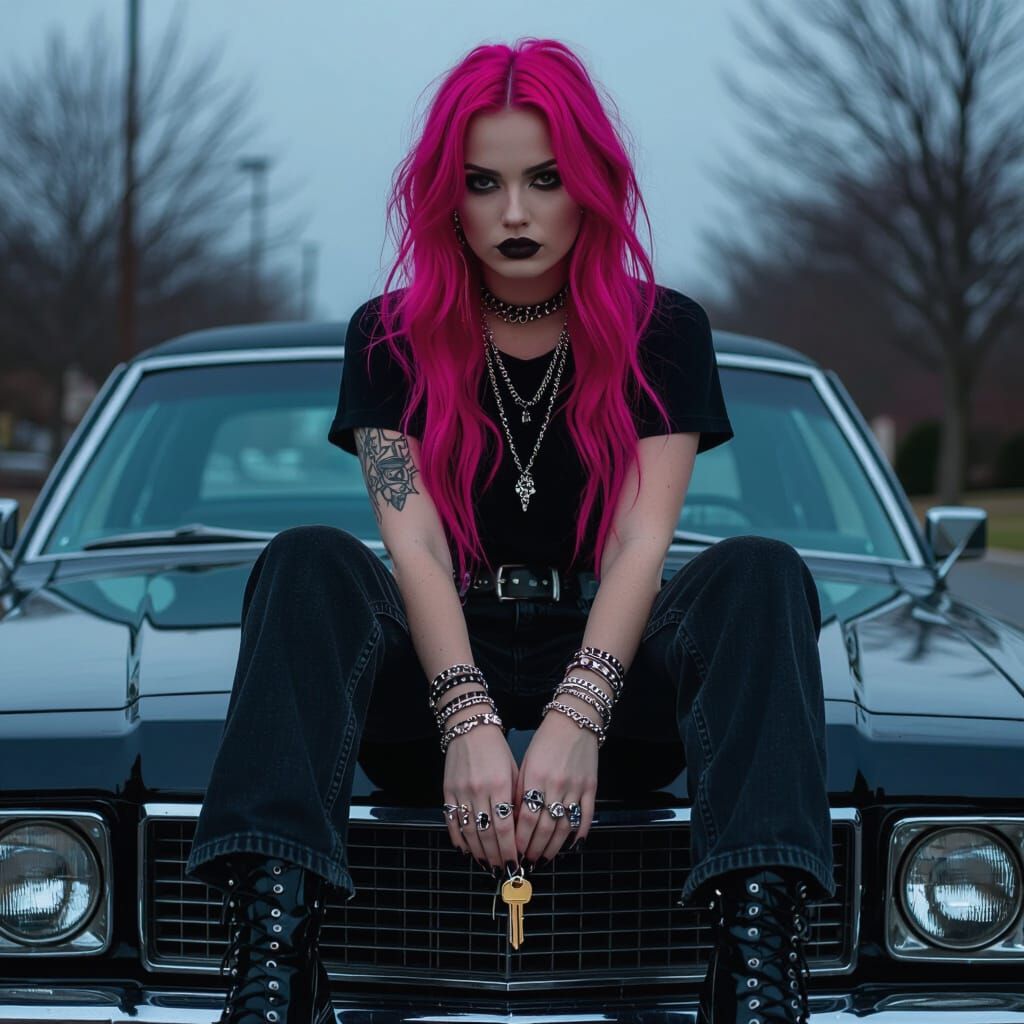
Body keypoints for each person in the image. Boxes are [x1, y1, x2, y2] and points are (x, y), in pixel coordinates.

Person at [185, 37, 834, 1024]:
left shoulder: (666, 332)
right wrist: (467, 717)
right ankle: (271, 966)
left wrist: (577, 714)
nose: (516, 213)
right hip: (433, 682)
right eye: (483, 183)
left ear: (593, 186)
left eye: (545, 179)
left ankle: (754, 972)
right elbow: (414, 546)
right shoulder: (388, 336)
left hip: (616, 682)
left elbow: (639, 543)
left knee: (758, 571)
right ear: (448, 195)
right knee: (309, 559)